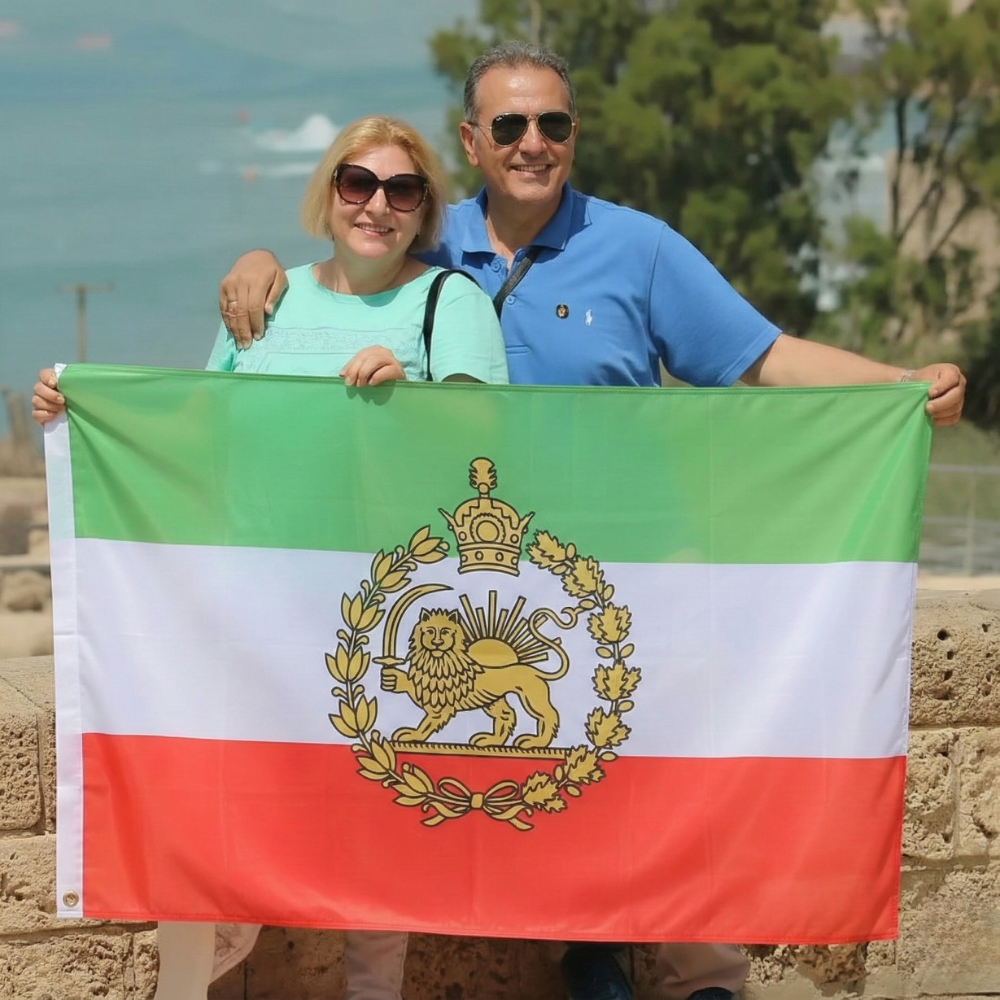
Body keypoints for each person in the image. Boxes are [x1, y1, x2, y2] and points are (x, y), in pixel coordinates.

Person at [215, 41, 966, 1000]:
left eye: (554, 124)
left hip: (626, 561)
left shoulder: (639, 246)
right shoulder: (423, 240)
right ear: (473, 140)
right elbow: (341, 260)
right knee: (525, 773)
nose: (534, 142)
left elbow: (760, 358)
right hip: (472, 578)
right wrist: (255, 261)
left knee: (663, 769)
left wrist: (899, 386)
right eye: (511, 125)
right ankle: (589, 950)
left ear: (573, 135)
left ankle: (704, 975)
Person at [33, 113, 508, 1000]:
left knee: (375, 852)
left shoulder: (451, 304)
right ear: (326, 192)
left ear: (425, 211)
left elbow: (491, 443)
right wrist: (83, 412)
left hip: (378, 615)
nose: (377, 205)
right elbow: (202, 428)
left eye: (402, 190)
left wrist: (417, 401)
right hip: (247, 614)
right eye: (356, 184)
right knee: (208, 830)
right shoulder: (266, 295)